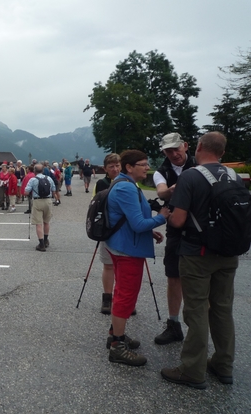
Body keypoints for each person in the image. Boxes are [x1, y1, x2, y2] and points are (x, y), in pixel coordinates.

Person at [161, 132, 240, 389]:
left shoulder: (191, 176)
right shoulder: (234, 176)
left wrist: (169, 217)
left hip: (197, 254)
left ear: (198, 147)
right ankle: (223, 365)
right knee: (222, 308)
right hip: (229, 254)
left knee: (196, 311)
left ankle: (193, 370)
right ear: (223, 152)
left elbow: (180, 220)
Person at [104, 150, 170, 366]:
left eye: (147, 163)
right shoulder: (126, 187)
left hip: (122, 245)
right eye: (142, 164)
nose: (147, 167)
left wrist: (149, 231)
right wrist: (161, 218)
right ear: (129, 167)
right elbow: (138, 224)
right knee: (126, 295)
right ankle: (117, 346)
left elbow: (131, 219)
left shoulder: (125, 184)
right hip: (127, 251)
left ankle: (116, 334)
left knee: (122, 292)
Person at [152, 132, 196, 345]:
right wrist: (173, 190)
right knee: (173, 275)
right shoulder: (162, 171)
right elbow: (161, 193)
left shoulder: (200, 164)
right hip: (176, 230)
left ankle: (198, 329)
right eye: (168, 151)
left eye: (176, 148)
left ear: (185, 146)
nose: (173, 153)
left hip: (201, 229)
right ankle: (174, 323)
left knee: (200, 278)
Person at [93, 153, 121, 315]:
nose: (115, 169)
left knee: (124, 267)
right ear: (105, 168)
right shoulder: (101, 183)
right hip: (108, 229)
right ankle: (107, 297)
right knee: (109, 264)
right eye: (111, 166)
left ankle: (123, 298)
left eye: (117, 166)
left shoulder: (131, 182)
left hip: (126, 229)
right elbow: (94, 205)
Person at [23, 163, 56, 251]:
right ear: (42, 170)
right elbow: (53, 190)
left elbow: (26, 192)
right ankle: (46, 240)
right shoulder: (49, 178)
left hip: (37, 201)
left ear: (34, 171)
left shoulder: (32, 180)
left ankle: (41, 244)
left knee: (38, 223)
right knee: (46, 222)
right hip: (48, 201)